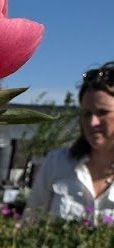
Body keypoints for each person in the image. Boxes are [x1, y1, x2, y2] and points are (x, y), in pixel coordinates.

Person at [26, 62, 114, 221]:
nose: (93, 122)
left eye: (102, 113)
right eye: (87, 114)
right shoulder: (57, 163)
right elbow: (30, 222)